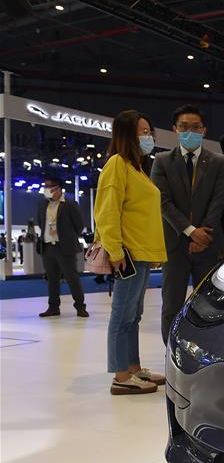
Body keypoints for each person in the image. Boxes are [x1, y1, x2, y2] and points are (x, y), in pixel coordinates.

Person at [94, 110, 167, 395]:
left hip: (142, 253)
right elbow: (106, 211)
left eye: (149, 131)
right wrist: (115, 250)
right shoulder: (117, 164)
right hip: (128, 253)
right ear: (127, 134)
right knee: (122, 315)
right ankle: (121, 376)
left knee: (133, 315)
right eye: (142, 131)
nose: (148, 136)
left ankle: (133, 367)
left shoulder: (137, 168)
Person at [152, 105, 224, 345]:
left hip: (208, 243)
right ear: (175, 130)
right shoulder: (162, 161)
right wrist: (191, 232)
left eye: (195, 127)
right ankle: (171, 354)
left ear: (204, 130)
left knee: (208, 306)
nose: (190, 132)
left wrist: (202, 234)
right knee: (171, 305)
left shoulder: (218, 162)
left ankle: (205, 352)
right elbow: (163, 202)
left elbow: (218, 202)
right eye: (184, 127)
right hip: (175, 245)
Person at [36, 175, 88, 317]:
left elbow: (79, 225)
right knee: (52, 279)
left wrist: (67, 237)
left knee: (72, 278)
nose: (46, 189)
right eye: (45, 186)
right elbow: (41, 222)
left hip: (65, 247)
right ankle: (53, 307)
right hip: (47, 246)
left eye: (49, 186)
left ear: (58, 188)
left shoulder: (70, 204)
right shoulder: (42, 204)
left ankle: (80, 306)